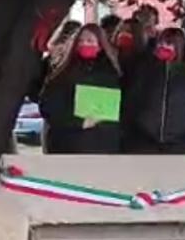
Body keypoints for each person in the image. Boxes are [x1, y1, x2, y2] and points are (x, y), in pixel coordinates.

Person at [39, 23, 125, 154]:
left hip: (103, 145)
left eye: (90, 41)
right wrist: (78, 123)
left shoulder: (112, 74)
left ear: (100, 45)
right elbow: (49, 107)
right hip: (68, 144)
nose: (84, 44)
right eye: (80, 41)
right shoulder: (62, 73)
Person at [122, 27, 185, 154]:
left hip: (178, 144)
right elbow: (130, 102)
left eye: (169, 44)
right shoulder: (144, 71)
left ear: (179, 47)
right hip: (143, 142)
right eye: (160, 43)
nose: (163, 47)